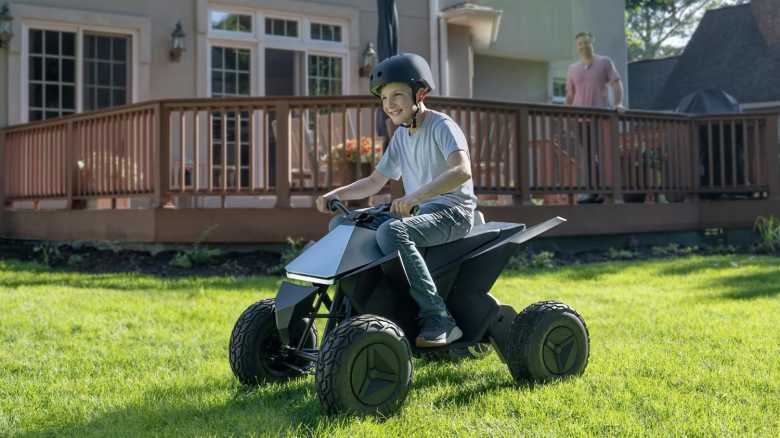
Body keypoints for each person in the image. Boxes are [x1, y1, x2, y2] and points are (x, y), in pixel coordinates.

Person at [315, 53, 476, 348]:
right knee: (343, 223)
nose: (389, 104)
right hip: (419, 210)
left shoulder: (442, 126)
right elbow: (375, 181)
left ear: (420, 93)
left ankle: (440, 317)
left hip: (453, 211)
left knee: (392, 231)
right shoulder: (402, 136)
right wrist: (337, 194)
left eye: (397, 95)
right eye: (384, 98)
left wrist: (415, 195)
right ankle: (353, 310)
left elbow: (462, 170)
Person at [566, 32, 625, 203]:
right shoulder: (572, 69)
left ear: (592, 42)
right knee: (586, 156)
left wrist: (618, 103)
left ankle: (601, 191)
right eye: (580, 44)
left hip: (600, 117)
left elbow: (616, 83)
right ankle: (590, 191)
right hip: (578, 119)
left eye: (586, 42)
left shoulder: (604, 62)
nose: (583, 46)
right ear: (577, 47)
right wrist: (565, 114)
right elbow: (570, 96)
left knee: (601, 154)